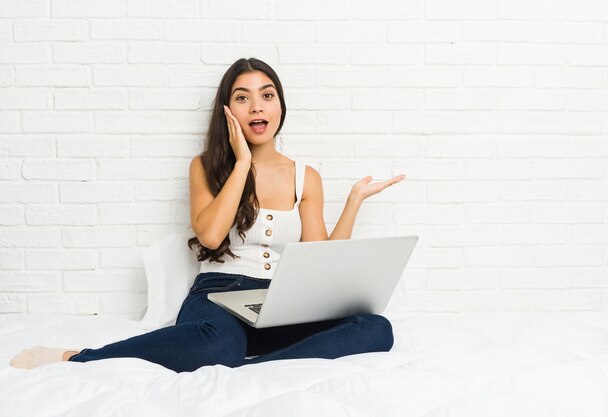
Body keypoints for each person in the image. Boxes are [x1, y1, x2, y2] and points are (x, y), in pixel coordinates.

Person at [10, 57, 406, 373]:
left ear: (281, 104)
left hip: (281, 301)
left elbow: (320, 263)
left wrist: (354, 201)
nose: (257, 106)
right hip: (218, 296)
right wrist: (242, 163)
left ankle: (251, 366)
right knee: (218, 342)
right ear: (227, 110)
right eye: (242, 97)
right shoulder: (205, 167)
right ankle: (81, 357)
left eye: (267, 95)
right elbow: (212, 237)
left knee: (375, 328)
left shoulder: (306, 177)